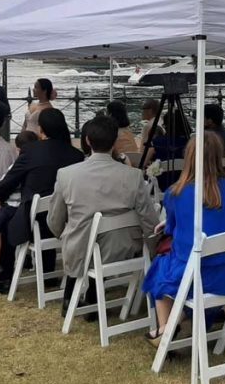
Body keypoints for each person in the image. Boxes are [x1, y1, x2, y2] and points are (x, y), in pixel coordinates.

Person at [142, 132, 225, 345]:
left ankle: (166, 332)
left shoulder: (177, 192)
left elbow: (172, 230)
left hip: (197, 276)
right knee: (174, 264)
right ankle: (171, 326)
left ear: (189, 156)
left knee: (160, 267)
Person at [49, 116, 160, 315]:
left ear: (88, 141)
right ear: (115, 142)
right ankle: (92, 298)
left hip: (80, 248)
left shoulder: (67, 174)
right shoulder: (132, 175)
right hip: (124, 247)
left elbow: (55, 220)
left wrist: (63, 235)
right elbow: (149, 219)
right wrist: (153, 251)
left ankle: (74, 298)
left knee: (78, 235)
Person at [0, 108, 83, 292]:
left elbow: (8, 182)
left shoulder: (31, 150)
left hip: (34, 220)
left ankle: (5, 276)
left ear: (42, 130)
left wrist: (2, 198)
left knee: (10, 218)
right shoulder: (76, 155)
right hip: (68, 219)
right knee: (46, 212)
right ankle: (48, 274)